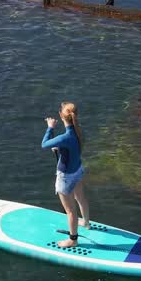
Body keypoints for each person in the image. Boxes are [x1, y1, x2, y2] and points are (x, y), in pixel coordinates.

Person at [41, 102, 90, 249]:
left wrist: (50, 127)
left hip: (66, 177)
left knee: (70, 211)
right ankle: (86, 222)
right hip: (78, 170)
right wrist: (60, 148)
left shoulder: (64, 137)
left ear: (61, 116)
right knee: (81, 198)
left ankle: (73, 240)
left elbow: (44, 144)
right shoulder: (78, 131)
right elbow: (71, 148)